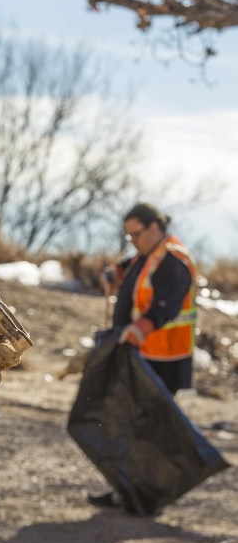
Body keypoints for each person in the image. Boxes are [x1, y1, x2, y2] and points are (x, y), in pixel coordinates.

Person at [88, 203, 198, 510]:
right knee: (128, 425)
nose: (132, 241)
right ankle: (126, 492)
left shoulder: (174, 260)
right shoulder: (148, 254)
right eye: (129, 237)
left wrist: (139, 328)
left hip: (164, 360)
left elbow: (166, 306)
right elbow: (129, 267)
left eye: (135, 234)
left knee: (149, 431)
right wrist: (114, 273)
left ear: (154, 228)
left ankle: (148, 499)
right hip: (143, 356)